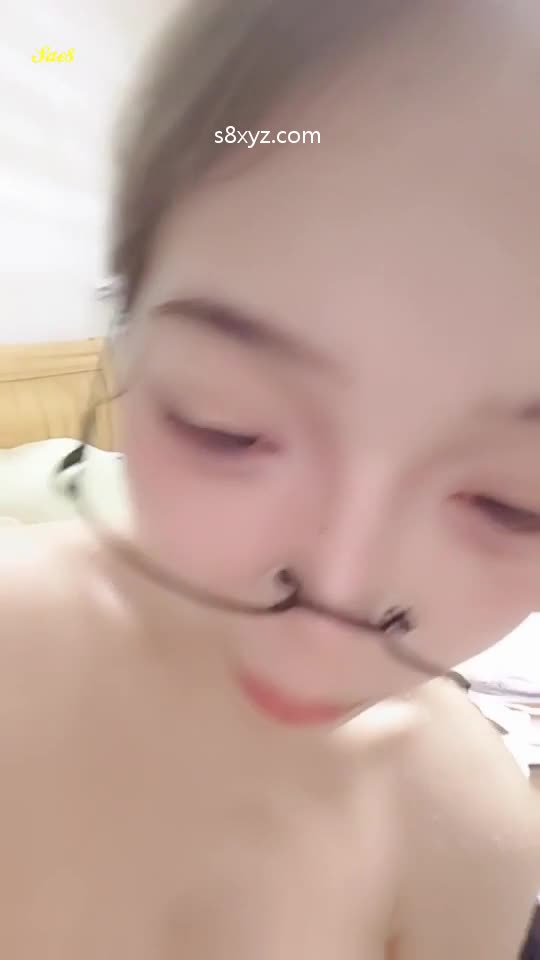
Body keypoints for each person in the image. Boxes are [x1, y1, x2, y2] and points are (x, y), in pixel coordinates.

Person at [2, 0, 540, 955]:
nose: (336, 605)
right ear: (128, 345)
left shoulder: (466, 834)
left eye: (513, 503)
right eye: (226, 428)